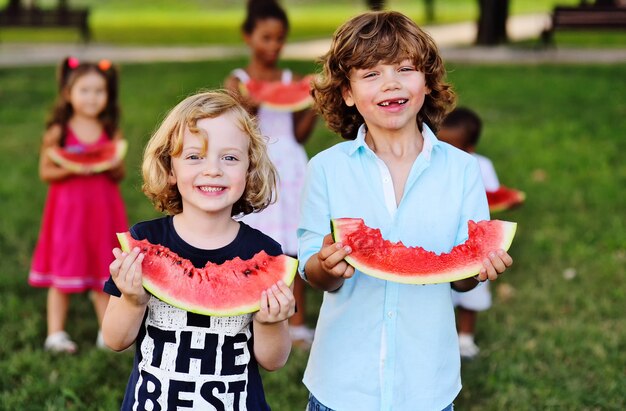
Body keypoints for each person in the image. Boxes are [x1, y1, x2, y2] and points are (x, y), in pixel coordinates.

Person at [297, 11, 513, 410]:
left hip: (427, 387)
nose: (391, 82)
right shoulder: (326, 169)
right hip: (341, 386)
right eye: (371, 73)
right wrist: (326, 265)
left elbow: (462, 278)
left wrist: (477, 269)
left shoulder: (463, 170)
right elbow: (311, 270)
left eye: (405, 68)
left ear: (427, 82)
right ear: (347, 92)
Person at [101, 90, 296, 410]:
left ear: (249, 169)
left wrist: (270, 322)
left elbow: (273, 361)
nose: (213, 169)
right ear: (170, 168)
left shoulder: (265, 253)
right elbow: (115, 339)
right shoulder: (146, 241)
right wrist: (134, 301)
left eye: (230, 157)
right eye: (195, 156)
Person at [224, 0, 318, 348]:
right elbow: (236, 126)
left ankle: (296, 325)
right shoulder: (239, 79)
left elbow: (299, 134)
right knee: (251, 248)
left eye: (279, 39)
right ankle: (242, 316)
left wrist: (315, 108)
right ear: (248, 37)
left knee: (292, 250)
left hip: (290, 169)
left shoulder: (293, 80)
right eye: (266, 38)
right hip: (257, 169)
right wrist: (248, 103)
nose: (274, 46)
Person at [29, 56, 128, 354]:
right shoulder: (58, 132)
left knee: (103, 271)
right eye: (84, 90)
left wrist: (107, 163)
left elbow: (119, 171)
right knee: (62, 273)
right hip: (68, 214)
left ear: (108, 95)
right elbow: (46, 171)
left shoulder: (110, 132)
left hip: (102, 211)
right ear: (67, 93)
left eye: (99, 91)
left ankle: (105, 332)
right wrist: (75, 168)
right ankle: (55, 333)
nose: (92, 97)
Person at [438, 106, 499, 359]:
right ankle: (443, 336)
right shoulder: (435, 165)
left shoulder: (480, 166)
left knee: (473, 293)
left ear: (470, 149)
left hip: (474, 241)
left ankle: (466, 338)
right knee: (443, 294)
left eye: (455, 147)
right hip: (443, 242)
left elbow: (493, 195)